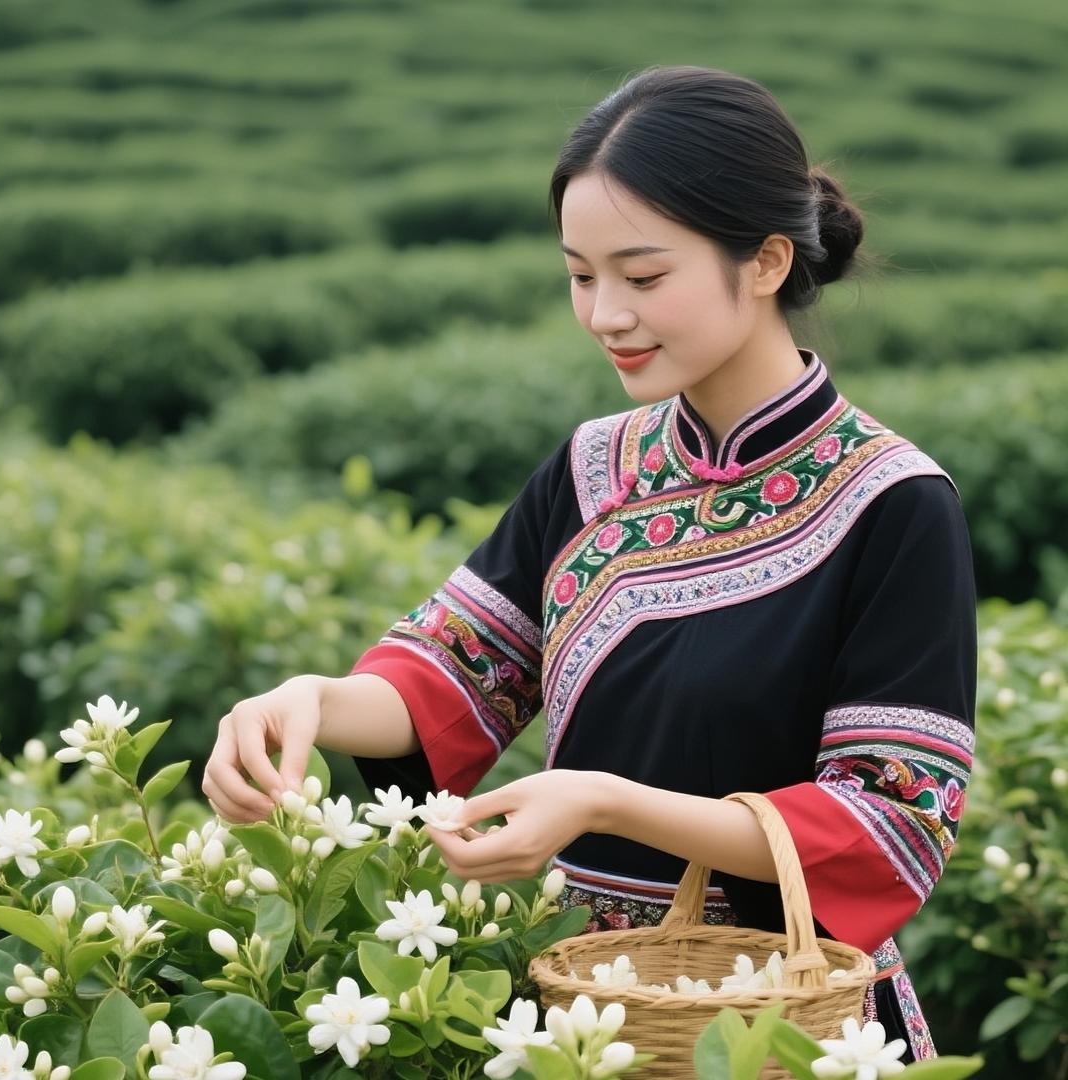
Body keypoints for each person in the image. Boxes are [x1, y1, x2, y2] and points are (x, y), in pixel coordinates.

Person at [202, 65, 976, 1062]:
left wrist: (605, 801)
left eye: (644, 277)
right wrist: (305, 700)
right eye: (580, 274)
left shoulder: (892, 506)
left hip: (781, 1026)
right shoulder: (591, 468)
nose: (606, 313)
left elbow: (895, 815)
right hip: (579, 1016)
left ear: (769, 260)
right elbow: (458, 676)